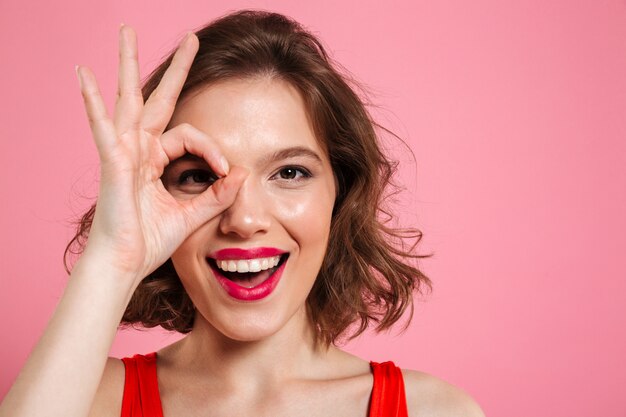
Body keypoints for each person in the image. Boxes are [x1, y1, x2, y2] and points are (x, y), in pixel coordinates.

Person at [0, 10, 484, 417]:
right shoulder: (89, 400)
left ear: (340, 193)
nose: (244, 218)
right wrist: (112, 258)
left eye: (290, 173)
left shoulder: (434, 410)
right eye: (198, 175)